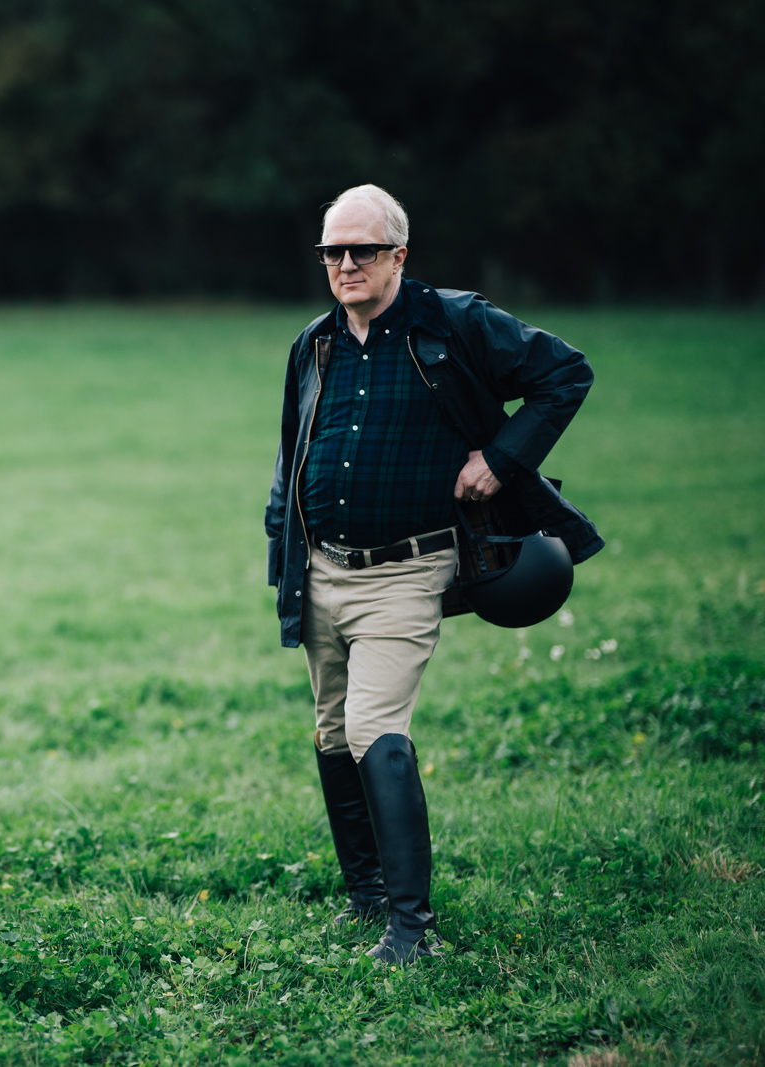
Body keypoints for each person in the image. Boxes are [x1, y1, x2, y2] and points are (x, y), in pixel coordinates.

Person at [265, 185, 597, 963]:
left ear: (398, 256)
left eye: (363, 251)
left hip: (408, 569)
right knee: (330, 730)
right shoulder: (313, 343)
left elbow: (565, 374)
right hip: (321, 569)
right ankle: (367, 893)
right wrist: (281, 532)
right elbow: (292, 450)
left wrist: (502, 458)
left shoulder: (454, 322)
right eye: (332, 252)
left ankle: (411, 928)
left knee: (373, 730)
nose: (346, 264)